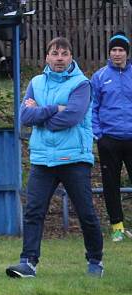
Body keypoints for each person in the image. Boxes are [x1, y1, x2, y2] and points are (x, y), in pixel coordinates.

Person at [6, 37, 104, 278]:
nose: (59, 58)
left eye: (64, 53)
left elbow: (70, 118)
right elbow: (25, 117)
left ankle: (95, 261)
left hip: (74, 159)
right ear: (46, 57)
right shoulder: (36, 82)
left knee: (86, 213)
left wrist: (40, 112)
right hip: (42, 159)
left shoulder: (82, 84)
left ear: (71, 57)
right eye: (54, 53)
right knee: (33, 211)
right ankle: (28, 263)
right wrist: (52, 109)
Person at [91, 31, 132, 242]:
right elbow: (93, 108)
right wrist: (99, 135)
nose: (117, 54)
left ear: (127, 53)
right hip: (109, 141)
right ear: (109, 52)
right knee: (111, 185)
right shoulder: (99, 77)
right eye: (113, 50)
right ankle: (117, 227)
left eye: (121, 50)